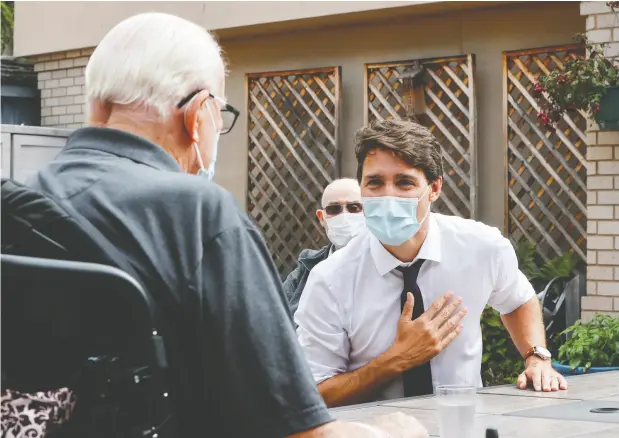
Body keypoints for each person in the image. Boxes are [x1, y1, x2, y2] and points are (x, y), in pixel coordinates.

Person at [27, 12, 428, 438]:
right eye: (221, 112)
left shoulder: (21, 204)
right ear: (198, 114)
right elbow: (296, 429)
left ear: (95, 105)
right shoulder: (198, 217)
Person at [295, 119, 568, 408]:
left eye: (404, 182)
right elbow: (315, 393)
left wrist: (537, 356)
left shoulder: (481, 247)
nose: (388, 195)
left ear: (434, 188)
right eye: (374, 183)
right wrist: (395, 360)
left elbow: (518, 299)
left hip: (462, 424)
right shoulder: (330, 279)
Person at [284, 178, 365, 320]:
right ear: (321, 218)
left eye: (354, 208)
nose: (344, 215)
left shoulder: (388, 266)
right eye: (334, 209)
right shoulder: (307, 266)